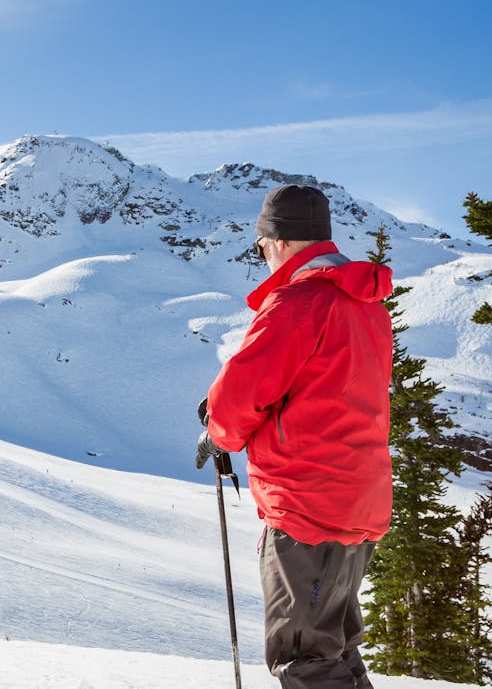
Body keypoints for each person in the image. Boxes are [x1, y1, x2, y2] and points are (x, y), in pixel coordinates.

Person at [195, 183, 394, 689]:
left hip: (308, 503)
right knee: (333, 648)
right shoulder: (365, 304)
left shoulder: (298, 301)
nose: (262, 256)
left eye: (261, 246)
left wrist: (219, 432)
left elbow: (243, 393)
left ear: (279, 242)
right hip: (357, 499)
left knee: (304, 657)